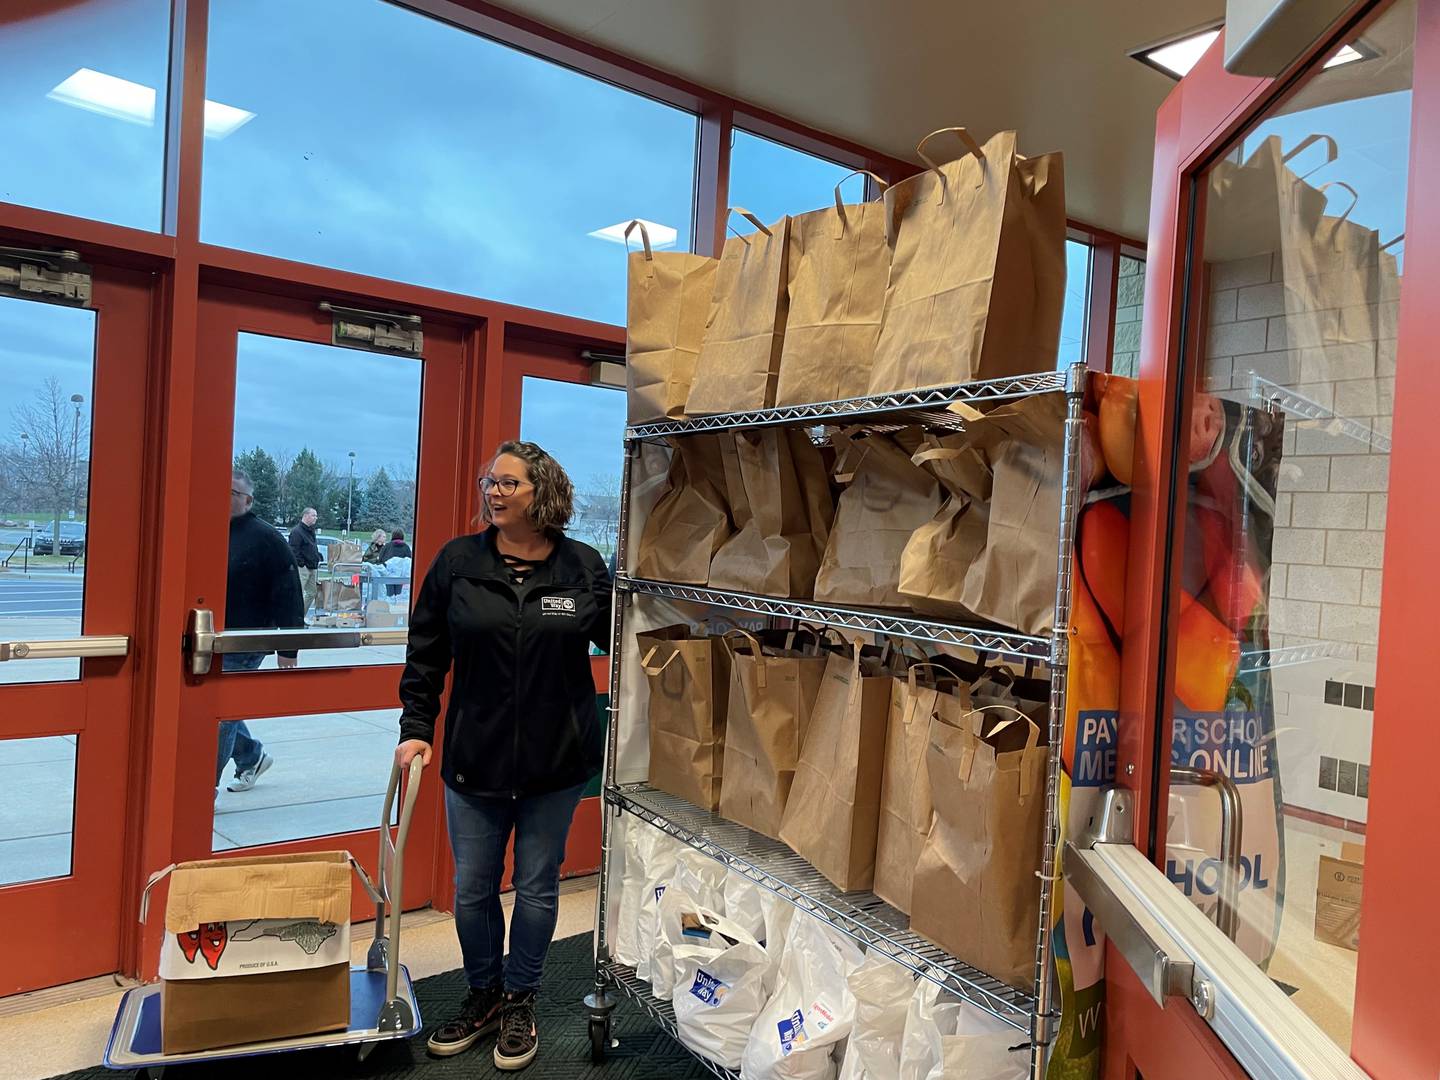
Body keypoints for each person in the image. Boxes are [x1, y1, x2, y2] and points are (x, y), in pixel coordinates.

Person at [396, 441, 611, 1070]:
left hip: (557, 758)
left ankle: (521, 997)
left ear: (542, 494)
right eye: (490, 481)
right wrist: (416, 727)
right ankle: (484, 993)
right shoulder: (459, 562)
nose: (493, 491)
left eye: (508, 484)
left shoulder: (582, 567)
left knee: (538, 887)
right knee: (472, 890)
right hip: (476, 757)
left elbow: (619, 638)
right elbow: (427, 650)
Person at [221, 469, 305, 793]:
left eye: (230, 492)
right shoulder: (205, 529)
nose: (222, 497)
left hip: (248, 640)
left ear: (247, 500)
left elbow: (289, 593)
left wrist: (289, 648)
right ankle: (251, 756)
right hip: (210, 638)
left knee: (220, 713)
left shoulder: (266, 538)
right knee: (217, 709)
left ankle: (202, 791)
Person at [288, 506, 322, 614]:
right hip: (303, 568)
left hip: (313, 567)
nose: (316, 518)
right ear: (305, 516)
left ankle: (301, 615)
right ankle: (294, 618)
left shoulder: (311, 531)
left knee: (312, 592)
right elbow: (293, 550)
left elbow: (311, 547)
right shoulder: (296, 531)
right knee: (298, 593)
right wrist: (301, 564)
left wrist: (318, 556)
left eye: (316, 516)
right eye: (313, 515)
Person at [381, 528, 413, 597]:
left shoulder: (387, 546)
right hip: (400, 574)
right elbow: (409, 560)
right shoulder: (406, 547)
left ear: (392, 536)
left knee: (389, 593)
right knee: (398, 594)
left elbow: (381, 558)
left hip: (389, 573)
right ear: (402, 536)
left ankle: (391, 603)